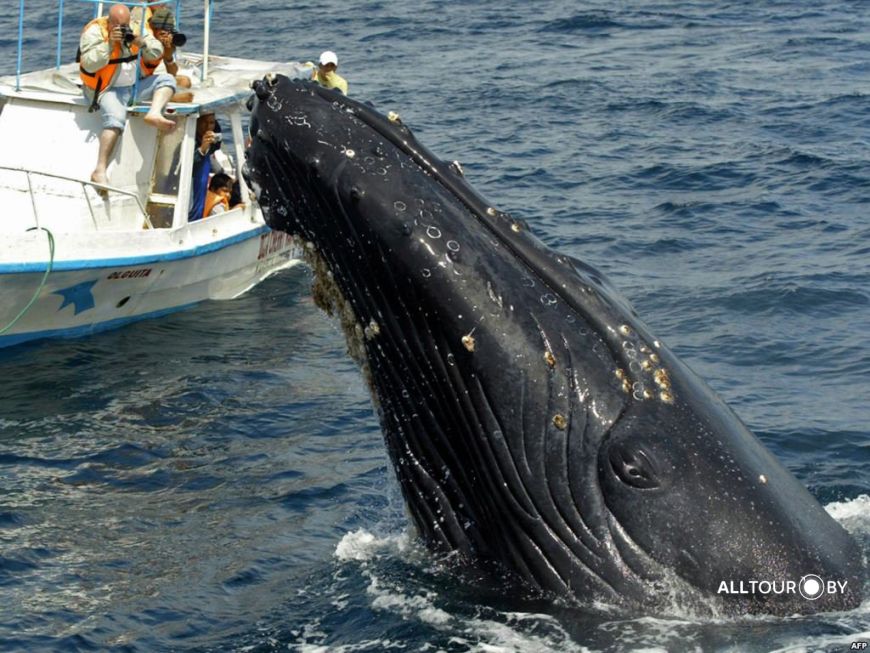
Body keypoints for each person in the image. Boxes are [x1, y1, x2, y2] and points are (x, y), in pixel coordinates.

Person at [78, 3, 177, 186]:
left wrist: (141, 42)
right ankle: (100, 169)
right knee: (116, 120)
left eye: (125, 25)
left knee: (168, 81)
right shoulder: (95, 32)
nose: (123, 30)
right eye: (118, 26)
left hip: (133, 86)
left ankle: (154, 113)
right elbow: (89, 64)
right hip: (107, 88)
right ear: (110, 22)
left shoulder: (136, 29)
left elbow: (157, 51)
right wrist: (109, 45)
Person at [148, 7, 193, 103]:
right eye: (161, 30)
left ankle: (163, 95)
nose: (164, 34)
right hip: (138, 80)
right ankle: (163, 97)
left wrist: (168, 55)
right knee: (186, 97)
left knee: (185, 81)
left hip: (149, 77)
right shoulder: (147, 40)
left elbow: (172, 73)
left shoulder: (164, 42)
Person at [189, 112, 227, 222]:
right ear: (197, 122)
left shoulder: (213, 135)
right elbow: (186, 168)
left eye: (211, 123)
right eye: (204, 122)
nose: (208, 126)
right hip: (190, 188)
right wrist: (202, 150)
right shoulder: (188, 141)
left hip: (202, 186)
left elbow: (217, 143)